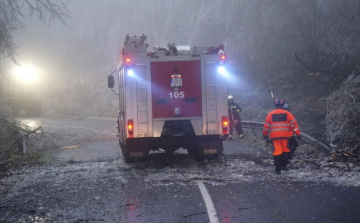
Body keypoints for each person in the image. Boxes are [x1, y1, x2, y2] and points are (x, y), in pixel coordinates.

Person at [263, 99, 301, 174]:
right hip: (285, 136)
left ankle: (278, 169)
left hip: (275, 136)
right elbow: (294, 124)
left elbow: (266, 126)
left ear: (275, 105)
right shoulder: (288, 113)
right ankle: (284, 165)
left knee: (277, 150)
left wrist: (265, 135)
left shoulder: (271, 114)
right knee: (285, 150)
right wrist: (295, 132)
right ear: (283, 104)